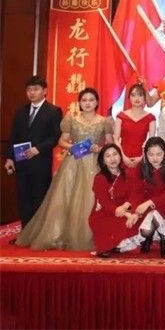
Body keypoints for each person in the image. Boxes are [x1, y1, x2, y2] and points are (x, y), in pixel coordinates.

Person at [17, 88, 113, 251]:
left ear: (97, 102)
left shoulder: (104, 121)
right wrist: (73, 147)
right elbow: (61, 141)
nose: (87, 103)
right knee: (66, 199)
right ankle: (63, 235)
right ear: (79, 103)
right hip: (73, 163)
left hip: (95, 164)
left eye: (91, 100)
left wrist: (100, 148)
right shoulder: (71, 119)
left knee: (90, 199)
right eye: (84, 100)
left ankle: (91, 236)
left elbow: (110, 143)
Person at [5, 75, 62, 229]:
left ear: (45, 91)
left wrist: (38, 149)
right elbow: (13, 135)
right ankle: (25, 232)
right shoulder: (20, 111)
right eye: (29, 90)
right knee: (23, 198)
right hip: (21, 162)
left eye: (35, 89)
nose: (32, 93)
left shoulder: (53, 111)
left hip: (40, 162)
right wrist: (9, 157)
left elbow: (56, 136)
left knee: (39, 198)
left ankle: (37, 233)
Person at [89, 144, 144, 257]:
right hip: (106, 213)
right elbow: (104, 203)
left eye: (115, 154)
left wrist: (127, 207)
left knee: (141, 217)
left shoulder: (128, 174)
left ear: (120, 156)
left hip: (126, 209)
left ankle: (119, 244)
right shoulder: (100, 178)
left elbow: (135, 195)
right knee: (123, 222)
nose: (112, 158)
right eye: (108, 156)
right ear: (103, 161)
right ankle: (110, 245)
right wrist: (125, 214)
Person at [130, 137, 165, 257]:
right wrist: (135, 211)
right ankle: (158, 235)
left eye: (159, 154)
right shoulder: (141, 166)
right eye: (151, 154)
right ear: (145, 154)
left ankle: (162, 236)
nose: (155, 158)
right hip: (146, 205)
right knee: (145, 231)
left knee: (146, 230)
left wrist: (148, 203)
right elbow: (136, 192)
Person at [114, 83, 156, 170]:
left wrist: (142, 158)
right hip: (122, 155)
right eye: (133, 95)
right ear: (129, 98)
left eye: (140, 95)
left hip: (142, 156)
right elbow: (116, 139)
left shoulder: (151, 118)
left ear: (144, 98)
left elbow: (151, 141)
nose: (137, 98)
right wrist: (123, 157)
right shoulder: (121, 116)